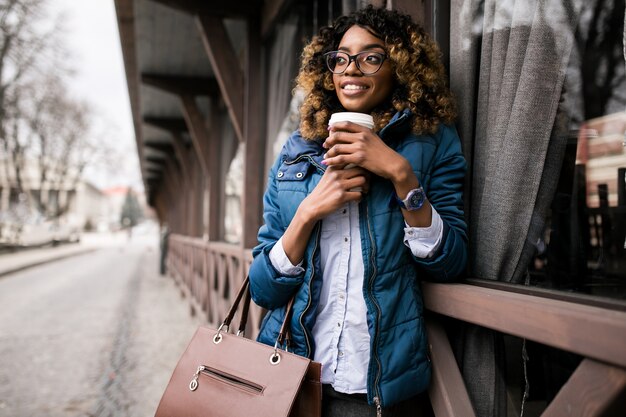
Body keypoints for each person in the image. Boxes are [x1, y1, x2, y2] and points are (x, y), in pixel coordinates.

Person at [248, 6, 467, 416]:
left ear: (399, 65)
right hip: (292, 381)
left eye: (371, 56)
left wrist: (401, 175)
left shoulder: (431, 142)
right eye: (341, 58)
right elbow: (263, 288)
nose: (352, 69)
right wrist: (308, 212)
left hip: (376, 389)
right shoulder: (296, 152)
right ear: (327, 69)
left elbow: (450, 263)